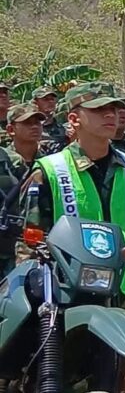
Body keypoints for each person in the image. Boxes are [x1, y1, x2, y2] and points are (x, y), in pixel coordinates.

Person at [18, 82, 125, 393]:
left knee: (108, 382)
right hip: (63, 294)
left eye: (115, 108)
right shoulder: (50, 169)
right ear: (74, 119)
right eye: (99, 110)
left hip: (118, 290)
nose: (112, 115)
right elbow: (29, 240)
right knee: (55, 385)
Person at [0, 103, 44, 278]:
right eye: (27, 123)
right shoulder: (4, 161)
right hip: (5, 245)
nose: (34, 127)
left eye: (37, 122)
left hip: (39, 246)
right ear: (11, 129)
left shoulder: (51, 162)